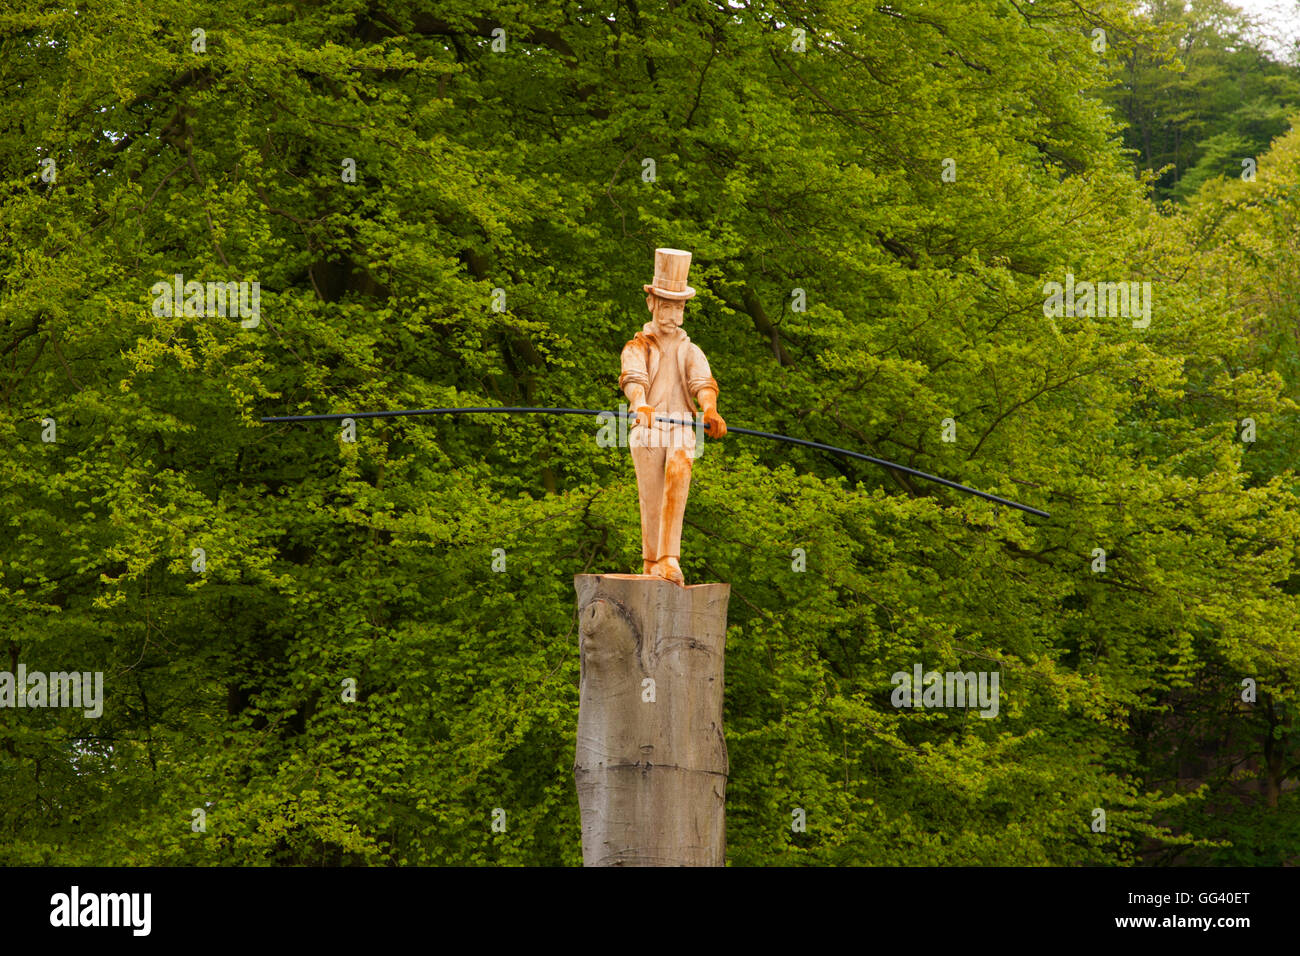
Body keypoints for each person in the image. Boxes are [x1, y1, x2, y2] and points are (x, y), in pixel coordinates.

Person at [619, 248, 727, 585]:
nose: (674, 315)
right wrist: (640, 405)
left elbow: (702, 382)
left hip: (681, 428)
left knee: (678, 469)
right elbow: (633, 381)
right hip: (648, 427)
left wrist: (709, 409)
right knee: (651, 492)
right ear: (652, 303)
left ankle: (670, 557)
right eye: (668, 306)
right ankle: (652, 559)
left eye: (679, 307)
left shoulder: (689, 349)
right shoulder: (637, 346)